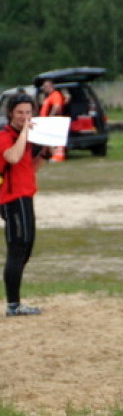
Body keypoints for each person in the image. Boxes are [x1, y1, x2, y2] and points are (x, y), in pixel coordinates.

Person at [0, 93, 51, 316]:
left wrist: (46, 154)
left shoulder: (25, 138)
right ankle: (13, 305)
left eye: (29, 112)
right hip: (12, 199)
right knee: (17, 248)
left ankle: (16, 302)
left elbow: (28, 167)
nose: (24, 117)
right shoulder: (4, 135)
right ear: (11, 113)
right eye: (20, 112)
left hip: (26, 196)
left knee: (26, 249)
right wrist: (26, 133)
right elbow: (12, 157)